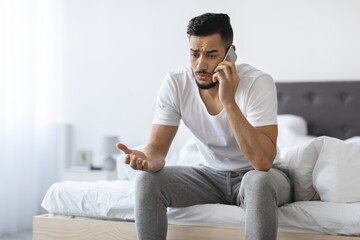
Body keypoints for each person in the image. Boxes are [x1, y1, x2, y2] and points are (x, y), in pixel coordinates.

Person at [117, 12, 292, 240]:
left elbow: (262, 162)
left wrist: (228, 100)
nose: (200, 64)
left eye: (211, 55)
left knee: (257, 181)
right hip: (210, 176)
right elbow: (158, 150)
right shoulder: (176, 83)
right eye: (194, 54)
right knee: (147, 181)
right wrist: (147, 158)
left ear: (231, 54)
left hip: (260, 177)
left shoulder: (257, 83)